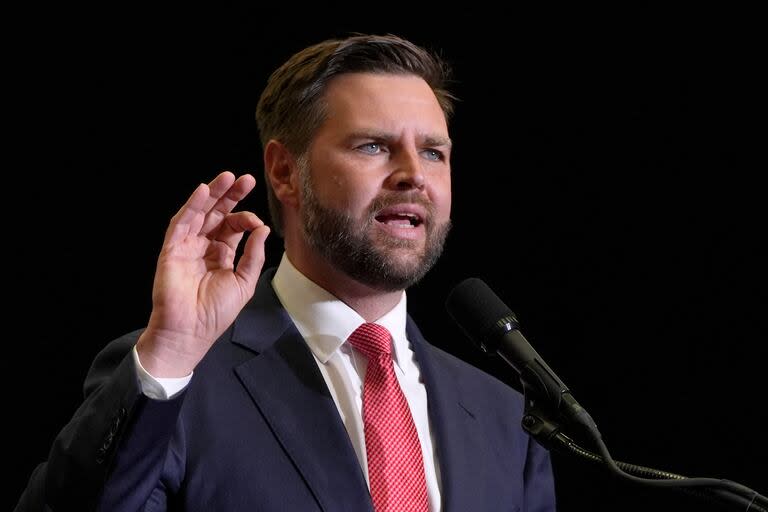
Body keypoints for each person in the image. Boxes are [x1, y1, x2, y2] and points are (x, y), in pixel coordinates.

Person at [16, 34, 556, 511]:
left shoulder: (506, 420)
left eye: (434, 153)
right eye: (374, 146)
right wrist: (172, 353)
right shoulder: (177, 381)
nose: (414, 175)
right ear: (284, 172)